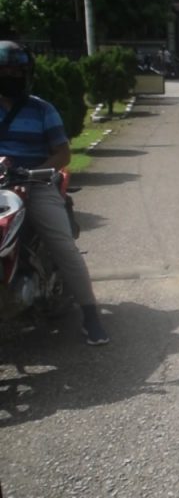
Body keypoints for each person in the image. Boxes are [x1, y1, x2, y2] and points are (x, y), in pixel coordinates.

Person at [0, 41, 108, 346]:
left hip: (35, 183)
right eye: (3, 71)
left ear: (27, 73)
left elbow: (62, 153)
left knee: (63, 245)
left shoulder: (41, 109)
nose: (9, 76)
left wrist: (38, 171)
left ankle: (90, 316)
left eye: (15, 71)